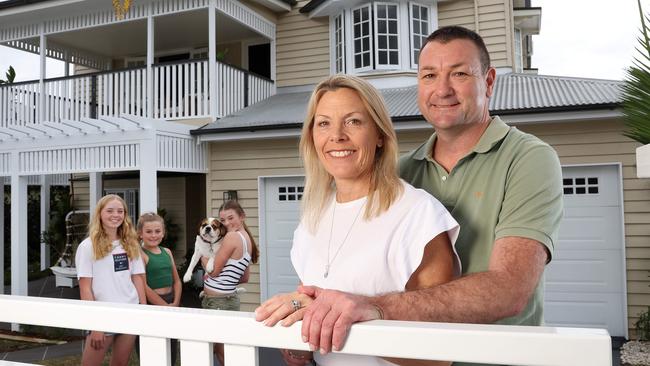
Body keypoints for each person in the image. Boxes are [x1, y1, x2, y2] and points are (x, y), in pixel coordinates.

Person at [288, 26, 564, 366]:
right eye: (429, 75)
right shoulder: (402, 173)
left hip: (495, 360)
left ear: (489, 81)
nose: (442, 89)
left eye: (459, 74)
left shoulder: (528, 159)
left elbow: (510, 289)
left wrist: (372, 307)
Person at [255, 74, 461, 366]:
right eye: (323, 123)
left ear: (379, 135)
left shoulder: (419, 217)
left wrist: (344, 320)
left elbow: (438, 358)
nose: (336, 135)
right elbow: (312, 317)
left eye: (353, 121)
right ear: (312, 137)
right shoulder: (311, 221)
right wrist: (302, 342)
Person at [75, 194, 146, 366]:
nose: (116, 215)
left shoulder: (130, 243)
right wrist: (96, 325)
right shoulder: (87, 246)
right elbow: (85, 288)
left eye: (120, 211)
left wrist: (143, 311)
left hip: (130, 311)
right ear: (100, 214)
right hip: (102, 315)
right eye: (110, 211)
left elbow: (137, 278)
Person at [201, 200, 259, 366]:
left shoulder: (232, 237)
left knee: (222, 351)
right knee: (222, 349)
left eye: (231, 217)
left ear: (242, 217)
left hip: (218, 302)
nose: (227, 223)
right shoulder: (247, 239)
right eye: (223, 220)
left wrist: (203, 257)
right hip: (227, 300)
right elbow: (244, 278)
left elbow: (214, 271)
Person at [137, 212, 182, 365]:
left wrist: (175, 303)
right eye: (148, 232)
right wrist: (164, 307)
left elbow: (177, 281)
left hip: (171, 302)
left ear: (163, 233)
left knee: (170, 343)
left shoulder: (167, 252)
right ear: (140, 234)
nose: (153, 235)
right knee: (152, 345)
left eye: (157, 231)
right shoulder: (140, 254)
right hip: (153, 304)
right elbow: (144, 286)